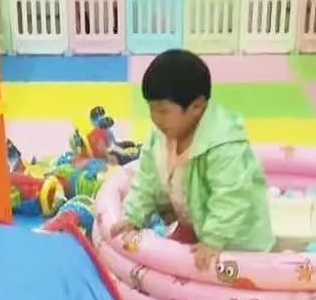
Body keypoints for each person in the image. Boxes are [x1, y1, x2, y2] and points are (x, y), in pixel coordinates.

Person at [110, 50, 274, 270]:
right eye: (151, 109)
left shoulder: (223, 144)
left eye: (163, 111)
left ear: (196, 106)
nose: (155, 119)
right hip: (198, 223)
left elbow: (231, 195)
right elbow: (146, 180)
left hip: (240, 241)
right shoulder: (161, 137)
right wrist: (132, 217)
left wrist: (213, 240)